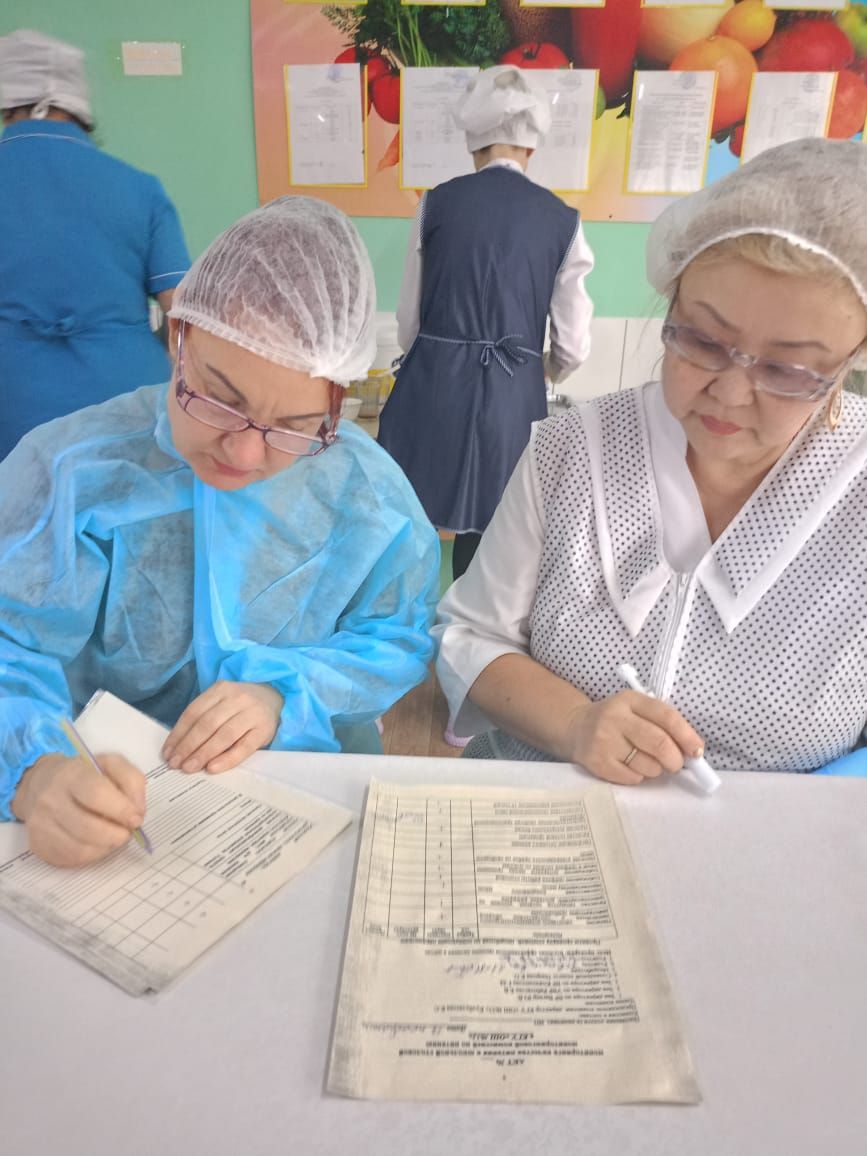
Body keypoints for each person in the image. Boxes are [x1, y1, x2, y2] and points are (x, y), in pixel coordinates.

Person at [0, 196, 440, 867]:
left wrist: (285, 693)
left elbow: (395, 635)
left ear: (335, 406)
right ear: (178, 335)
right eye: (220, 400)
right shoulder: (70, 472)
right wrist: (34, 771)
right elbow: (8, 645)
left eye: (294, 426)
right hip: (107, 788)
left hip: (301, 786)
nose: (243, 452)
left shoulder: (365, 493)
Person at [434, 137, 867, 782]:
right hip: (547, 813)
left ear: (849, 361)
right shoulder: (572, 450)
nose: (730, 392)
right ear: (671, 305)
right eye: (704, 340)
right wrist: (575, 723)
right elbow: (470, 637)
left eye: (787, 369)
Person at [377, 64, 594, 583]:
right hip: (512, 396)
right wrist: (545, 371)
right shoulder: (563, 220)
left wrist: (436, 352)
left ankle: (406, 620)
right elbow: (573, 343)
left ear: (472, 141)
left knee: (408, 516)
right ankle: (468, 624)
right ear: (532, 146)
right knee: (492, 535)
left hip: (433, 385)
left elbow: (409, 321)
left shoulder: (435, 203)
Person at [0, 29, 190, 460]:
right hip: (124, 405)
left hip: (11, 405)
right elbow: (184, 315)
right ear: (79, 105)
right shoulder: (139, 188)